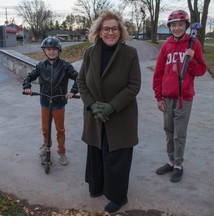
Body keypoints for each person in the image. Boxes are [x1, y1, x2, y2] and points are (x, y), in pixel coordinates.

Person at [77, 10, 141, 213]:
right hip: (95, 116)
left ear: (121, 31)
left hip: (121, 116)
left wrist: (112, 106)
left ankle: (118, 196)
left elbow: (134, 85)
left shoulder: (130, 53)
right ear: (99, 31)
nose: (110, 32)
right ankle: (97, 186)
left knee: (117, 158)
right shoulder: (90, 52)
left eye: (114, 28)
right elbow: (80, 81)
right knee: (96, 152)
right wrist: (92, 104)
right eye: (106, 29)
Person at [152, 10, 207, 182]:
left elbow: (201, 71)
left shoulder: (193, 44)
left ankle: (178, 165)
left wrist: (191, 60)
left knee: (179, 134)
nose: (177, 28)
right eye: (174, 25)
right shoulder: (166, 46)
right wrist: (158, 97)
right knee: (169, 131)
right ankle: (170, 161)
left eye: (180, 25)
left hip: (184, 98)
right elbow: (158, 73)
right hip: (167, 97)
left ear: (186, 27)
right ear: (169, 27)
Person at [23, 37, 78, 166]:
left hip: (59, 102)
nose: (51, 52)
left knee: (60, 129)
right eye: (48, 49)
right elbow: (29, 77)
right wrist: (27, 87)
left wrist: (72, 91)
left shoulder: (65, 66)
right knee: (45, 128)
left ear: (59, 50)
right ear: (45, 51)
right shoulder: (41, 65)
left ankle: (62, 152)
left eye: (54, 49)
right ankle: (46, 145)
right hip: (45, 101)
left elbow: (79, 78)